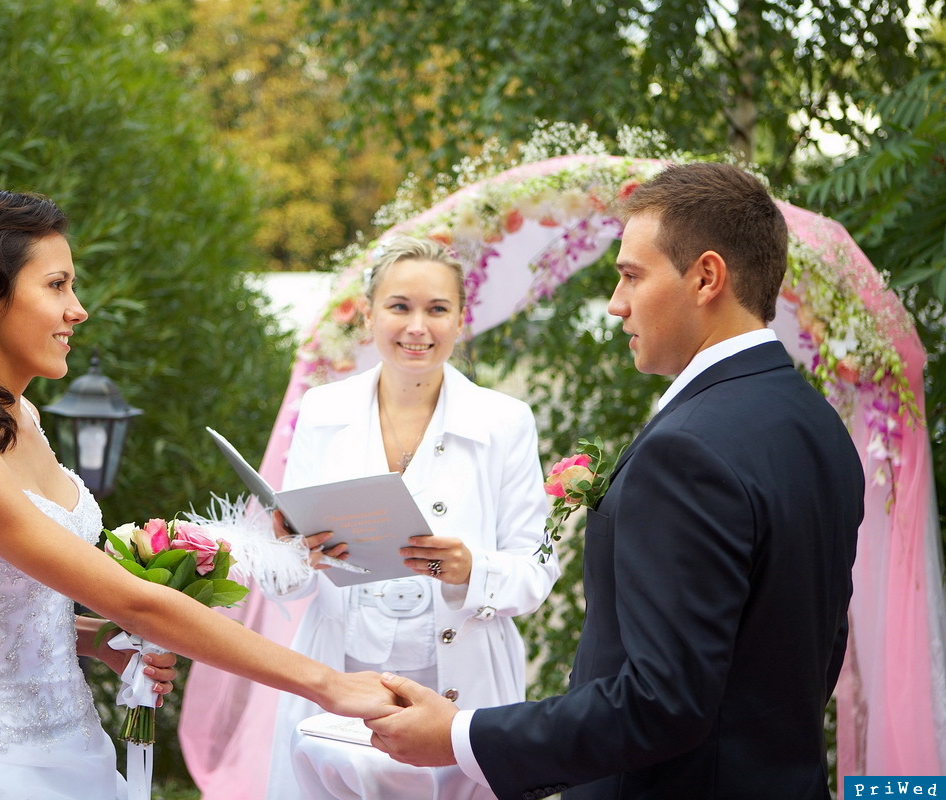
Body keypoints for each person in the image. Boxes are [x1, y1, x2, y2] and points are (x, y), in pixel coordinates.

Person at [0, 189, 394, 800]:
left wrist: (92, 641)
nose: (77, 308)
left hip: (72, 747)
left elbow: (9, 603)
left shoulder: (20, 417)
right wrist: (330, 686)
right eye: (57, 285)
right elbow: (136, 601)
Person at [365, 163, 864, 799]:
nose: (615, 302)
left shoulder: (689, 449)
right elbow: (814, 653)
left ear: (706, 277)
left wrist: (461, 736)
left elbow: (661, 700)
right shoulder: (818, 424)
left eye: (631, 274)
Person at [263, 236, 561, 800]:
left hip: (463, 696)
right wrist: (295, 553)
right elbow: (283, 575)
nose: (417, 327)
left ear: (460, 319)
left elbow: (536, 572)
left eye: (437, 309)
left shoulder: (505, 422)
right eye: (400, 307)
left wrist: (473, 570)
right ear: (370, 313)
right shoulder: (322, 413)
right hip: (338, 694)